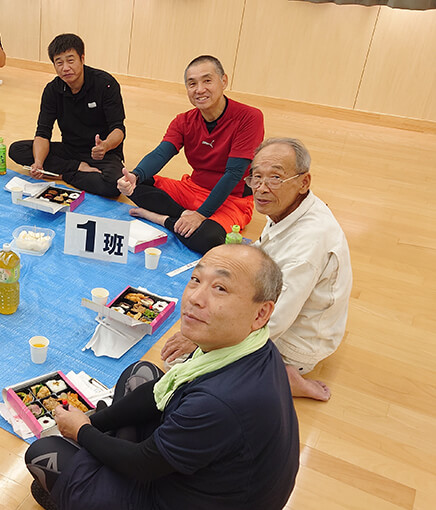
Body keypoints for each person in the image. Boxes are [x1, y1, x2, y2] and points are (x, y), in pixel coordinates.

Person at [25, 244, 299, 510]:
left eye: (220, 288)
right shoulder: (246, 344)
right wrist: (92, 423)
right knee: (139, 374)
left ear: (261, 313)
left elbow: (143, 464)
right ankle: (100, 464)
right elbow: (157, 392)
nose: (195, 297)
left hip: (177, 495)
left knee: (42, 454)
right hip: (200, 472)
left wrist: (82, 432)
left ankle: (96, 472)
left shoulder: (218, 402)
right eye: (196, 279)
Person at [161, 138, 352, 402]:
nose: (261, 188)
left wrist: (203, 338)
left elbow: (276, 321)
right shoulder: (290, 206)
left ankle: (281, 376)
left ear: (303, 182)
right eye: (257, 177)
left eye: (275, 178)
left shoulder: (308, 244)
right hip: (275, 308)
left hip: (294, 343)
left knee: (181, 369)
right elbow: (259, 257)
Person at [117, 55, 264, 254]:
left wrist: (201, 215)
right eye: (192, 84)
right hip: (192, 189)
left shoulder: (250, 117)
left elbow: (234, 174)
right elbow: (161, 153)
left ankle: (161, 218)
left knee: (207, 238)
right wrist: (135, 175)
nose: (200, 89)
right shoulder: (183, 120)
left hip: (232, 199)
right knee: (135, 185)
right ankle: (182, 216)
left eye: (207, 80)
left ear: (224, 81)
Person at [9, 33, 125, 198]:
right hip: (70, 149)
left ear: (82, 58)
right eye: (59, 62)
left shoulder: (105, 84)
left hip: (101, 153)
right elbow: (43, 132)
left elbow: (118, 129)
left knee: (114, 186)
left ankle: (63, 173)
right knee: (17, 150)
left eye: (70, 60)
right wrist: (39, 163)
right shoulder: (52, 90)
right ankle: (76, 169)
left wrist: (105, 146)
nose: (65, 68)